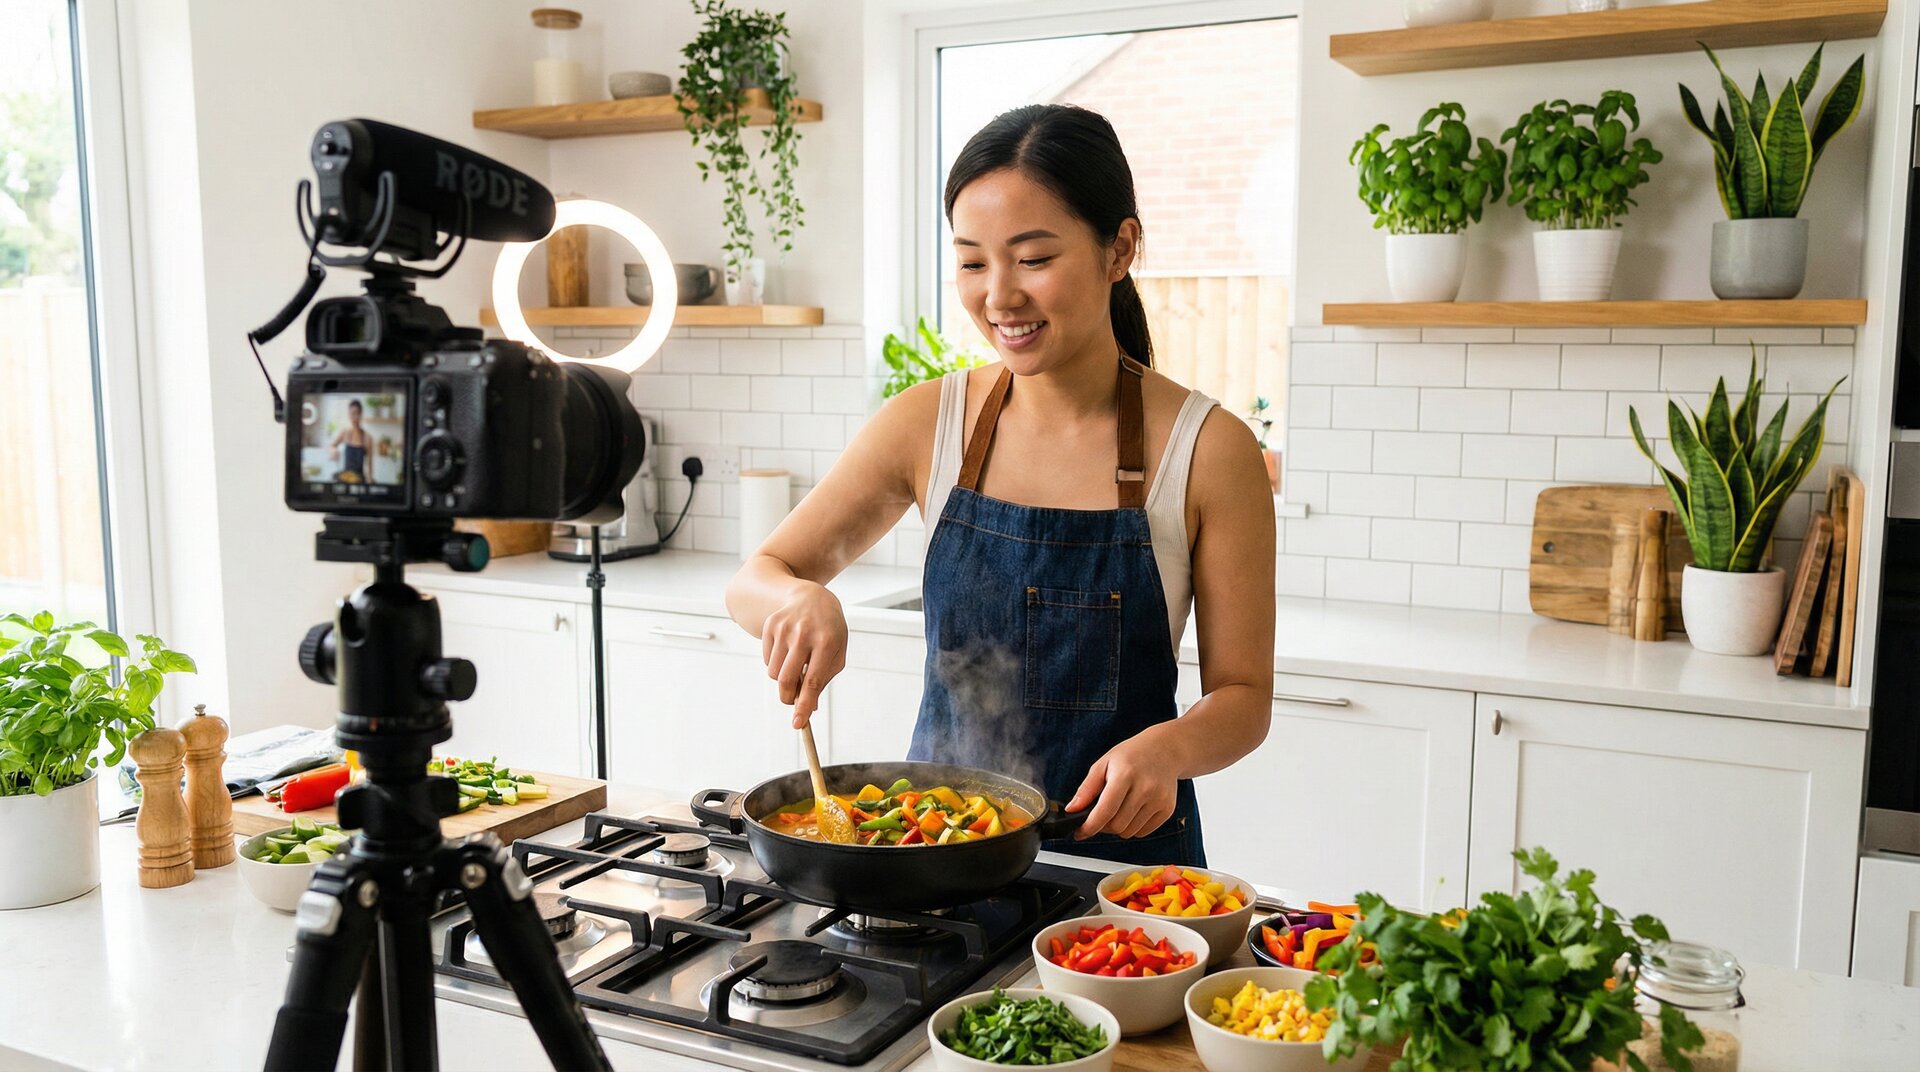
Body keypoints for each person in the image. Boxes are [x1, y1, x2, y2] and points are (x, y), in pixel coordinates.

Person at [725, 104, 1275, 866]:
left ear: (1119, 249)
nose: (999, 296)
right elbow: (756, 579)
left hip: (1120, 883)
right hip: (927, 859)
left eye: (1034, 258)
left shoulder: (1209, 450)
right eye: (974, 261)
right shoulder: (926, 424)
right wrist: (796, 598)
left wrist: (1173, 748)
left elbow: (1244, 698)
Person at [328, 399, 372, 484]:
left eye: (356, 413)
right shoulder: (345, 433)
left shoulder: (367, 437)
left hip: (360, 480)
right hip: (345, 479)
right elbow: (332, 446)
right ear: (349, 415)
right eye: (352, 414)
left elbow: (370, 466)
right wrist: (333, 450)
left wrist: (369, 481)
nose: (354, 417)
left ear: (361, 414)